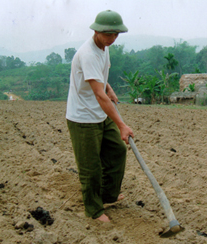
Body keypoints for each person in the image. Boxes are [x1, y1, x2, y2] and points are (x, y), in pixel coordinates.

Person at [66, 10, 134, 223]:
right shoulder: (88, 53)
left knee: (117, 151)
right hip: (83, 117)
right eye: (108, 34)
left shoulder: (104, 48)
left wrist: (109, 87)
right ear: (96, 30)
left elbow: (99, 77)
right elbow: (98, 95)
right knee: (91, 167)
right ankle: (94, 210)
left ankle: (107, 196)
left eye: (116, 34)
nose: (112, 39)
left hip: (99, 114)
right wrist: (121, 124)